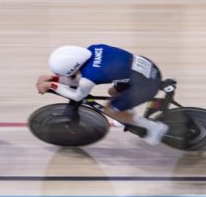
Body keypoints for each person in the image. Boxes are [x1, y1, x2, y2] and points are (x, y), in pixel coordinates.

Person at [37, 44, 169, 145]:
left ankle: (155, 128)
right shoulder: (94, 48)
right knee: (113, 92)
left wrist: (53, 85)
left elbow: (78, 95)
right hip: (145, 69)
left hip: (147, 84)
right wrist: (55, 78)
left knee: (110, 110)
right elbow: (79, 76)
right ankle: (126, 114)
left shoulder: (88, 79)